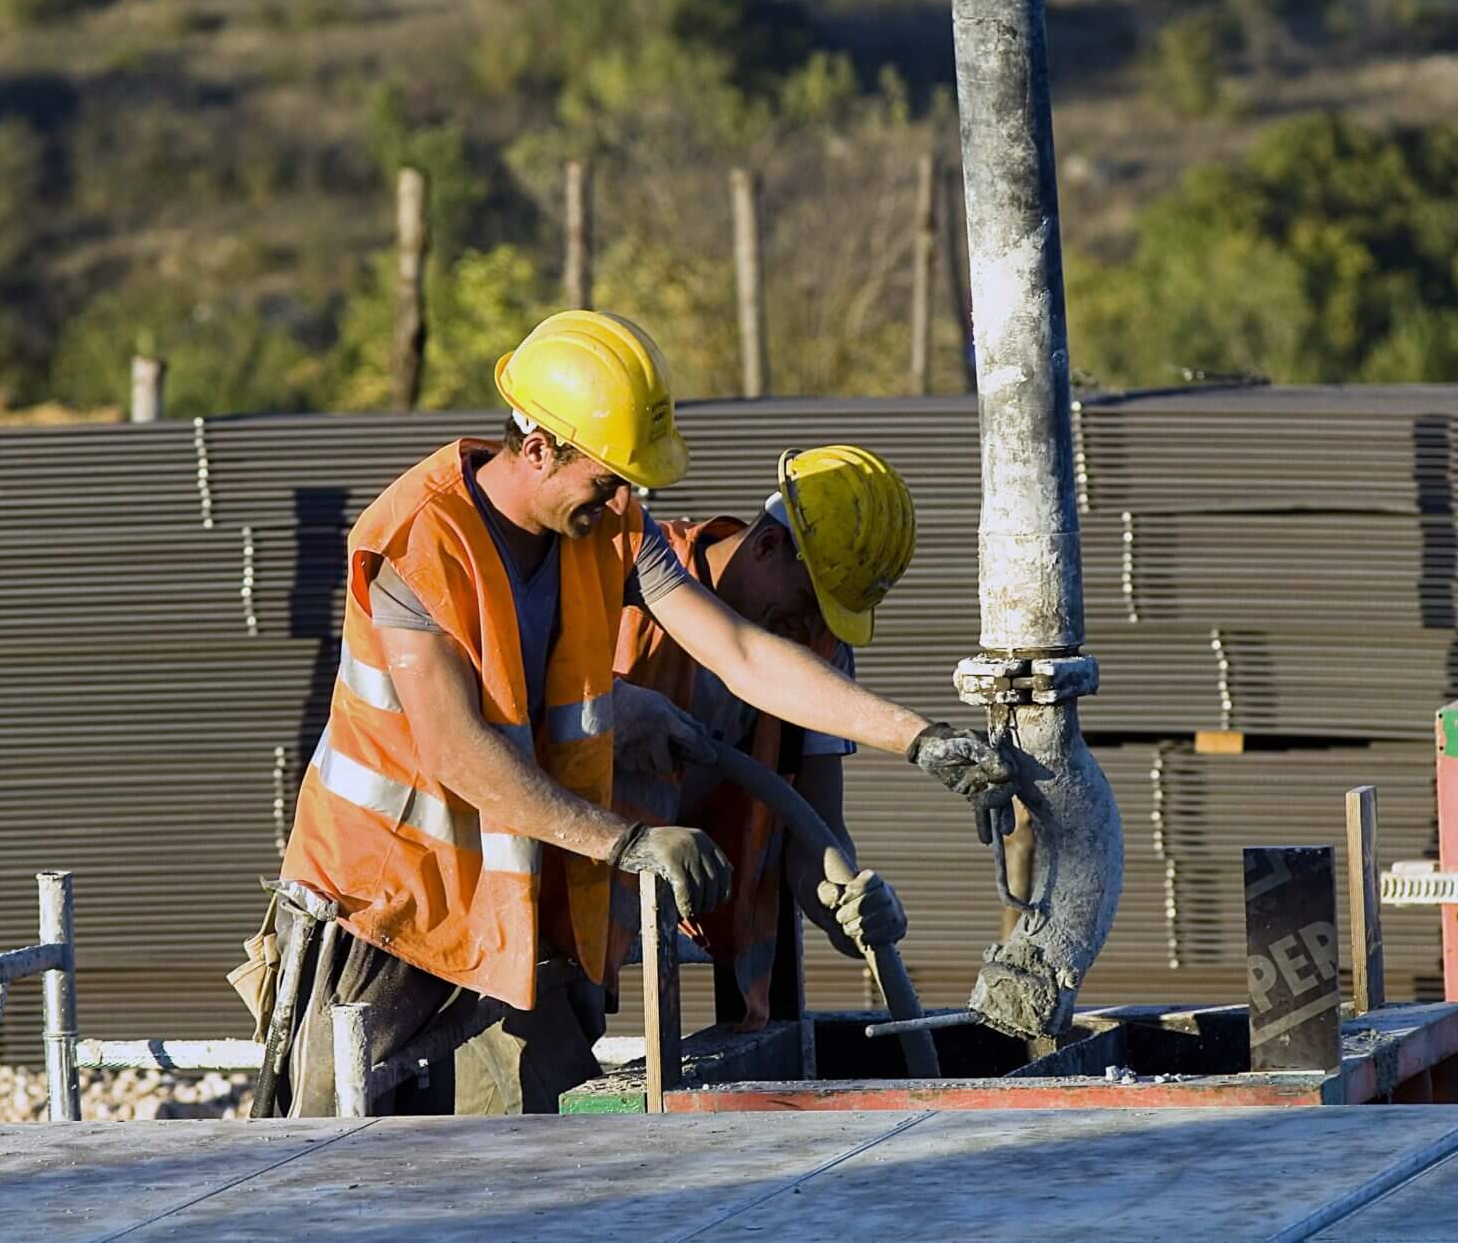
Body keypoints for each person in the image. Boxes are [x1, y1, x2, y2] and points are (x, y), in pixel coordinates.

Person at [263, 309, 1016, 1114]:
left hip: (520, 911)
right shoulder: (422, 540)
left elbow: (742, 654)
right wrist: (628, 843)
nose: (624, 499)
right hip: (386, 911)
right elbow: (457, 753)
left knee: (547, 1161)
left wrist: (921, 739)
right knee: (329, 1169)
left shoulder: (609, 528)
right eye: (609, 478)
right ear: (541, 447)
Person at [610, 445, 919, 1029]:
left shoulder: (819, 649)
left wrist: (842, 906)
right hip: (566, 900)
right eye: (809, 605)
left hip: (704, 902)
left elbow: (815, 829)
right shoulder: (629, 584)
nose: (810, 633)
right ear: (768, 545)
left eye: (830, 620)